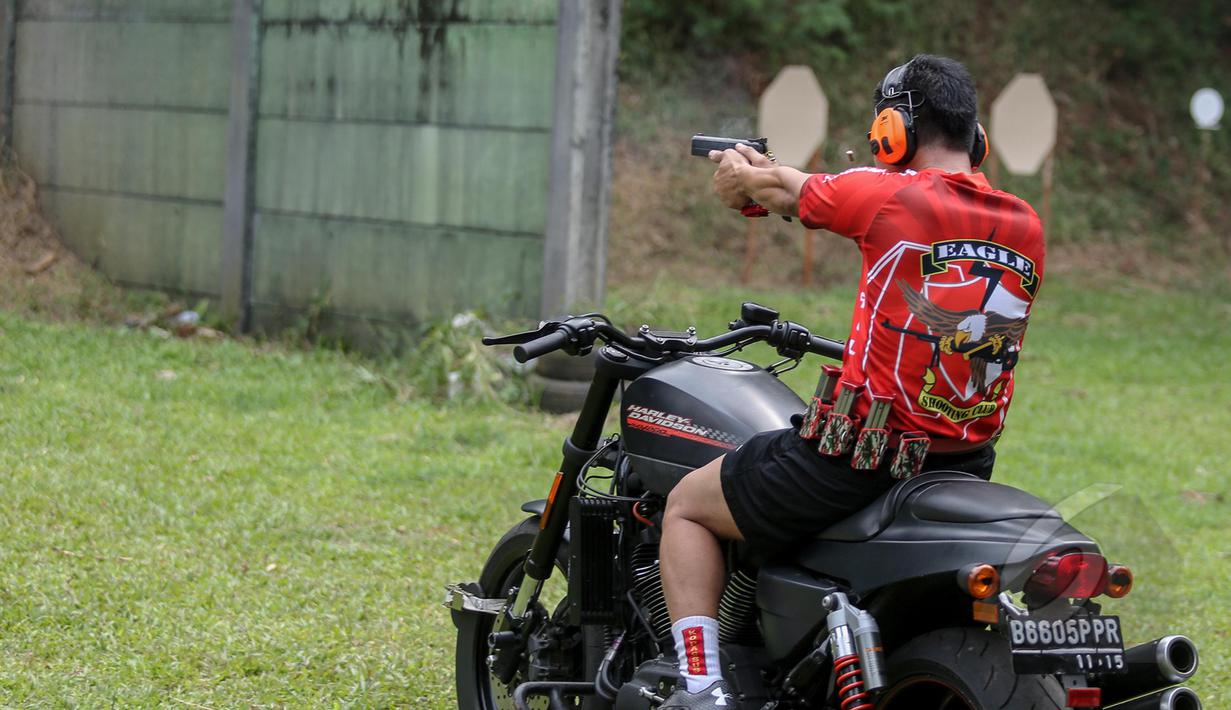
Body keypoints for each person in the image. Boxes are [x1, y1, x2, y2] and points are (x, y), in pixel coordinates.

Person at [657, 54, 1046, 708]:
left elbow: (786, 190)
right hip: (963, 466)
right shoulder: (1025, 224)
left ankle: (699, 690)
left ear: (894, 127)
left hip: (861, 458)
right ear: (975, 137)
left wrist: (742, 177)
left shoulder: (889, 194)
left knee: (687, 509)